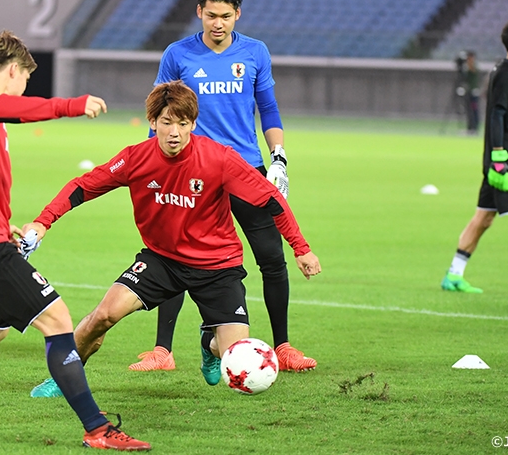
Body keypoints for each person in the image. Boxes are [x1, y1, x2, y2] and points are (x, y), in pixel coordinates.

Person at [0, 30, 151, 451]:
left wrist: (2, 225)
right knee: (57, 320)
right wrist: (72, 105)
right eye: (24, 81)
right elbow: (12, 108)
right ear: (13, 70)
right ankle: (97, 429)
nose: (22, 90)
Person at [26, 81, 321, 399]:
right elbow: (83, 186)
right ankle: (64, 378)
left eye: (182, 123)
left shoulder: (219, 158)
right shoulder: (135, 158)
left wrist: (301, 249)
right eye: (167, 122)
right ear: (152, 122)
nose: (175, 132)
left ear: (193, 124)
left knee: (234, 355)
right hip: (161, 260)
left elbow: (270, 198)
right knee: (102, 315)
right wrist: (44, 222)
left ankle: (209, 343)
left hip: (218, 265)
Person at [128, 0, 315, 374]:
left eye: (226, 16)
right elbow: (160, 115)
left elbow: (269, 108)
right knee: (173, 255)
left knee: (271, 259)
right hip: (191, 171)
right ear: (199, 12)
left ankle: (282, 346)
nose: (218, 23)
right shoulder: (177, 55)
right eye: (211, 15)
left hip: (245, 168)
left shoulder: (255, 52)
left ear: (237, 14)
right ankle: (163, 351)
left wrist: (278, 156)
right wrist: (152, 164)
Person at [441, 19, 508, 293]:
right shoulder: (507, 73)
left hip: (506, 158)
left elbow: (505, 119)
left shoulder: (506, 72)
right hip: (505, 163)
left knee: (483, 218)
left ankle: (454, 275)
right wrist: (499, 156)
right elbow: (496, 114)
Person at [463, 51, 481, 135]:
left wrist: (469, 63)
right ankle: (470, 126)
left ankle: (475, 127)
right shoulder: (466, 67)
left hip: (474, 92)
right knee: (469, 110)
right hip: (468, 91)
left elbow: (473, 71)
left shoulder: (474, 66)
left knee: (474, 110)